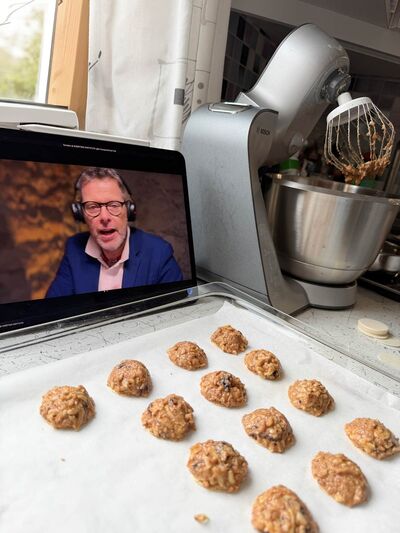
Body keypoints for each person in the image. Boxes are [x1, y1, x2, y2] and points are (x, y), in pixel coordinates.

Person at [46, 167, 183, 297]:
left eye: (113, 205)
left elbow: (175, 309)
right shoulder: (74, 249)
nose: (104, 217)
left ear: (129, 210)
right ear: (80, 214)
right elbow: (52, 308)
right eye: (92, 207)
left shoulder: (159, 253)